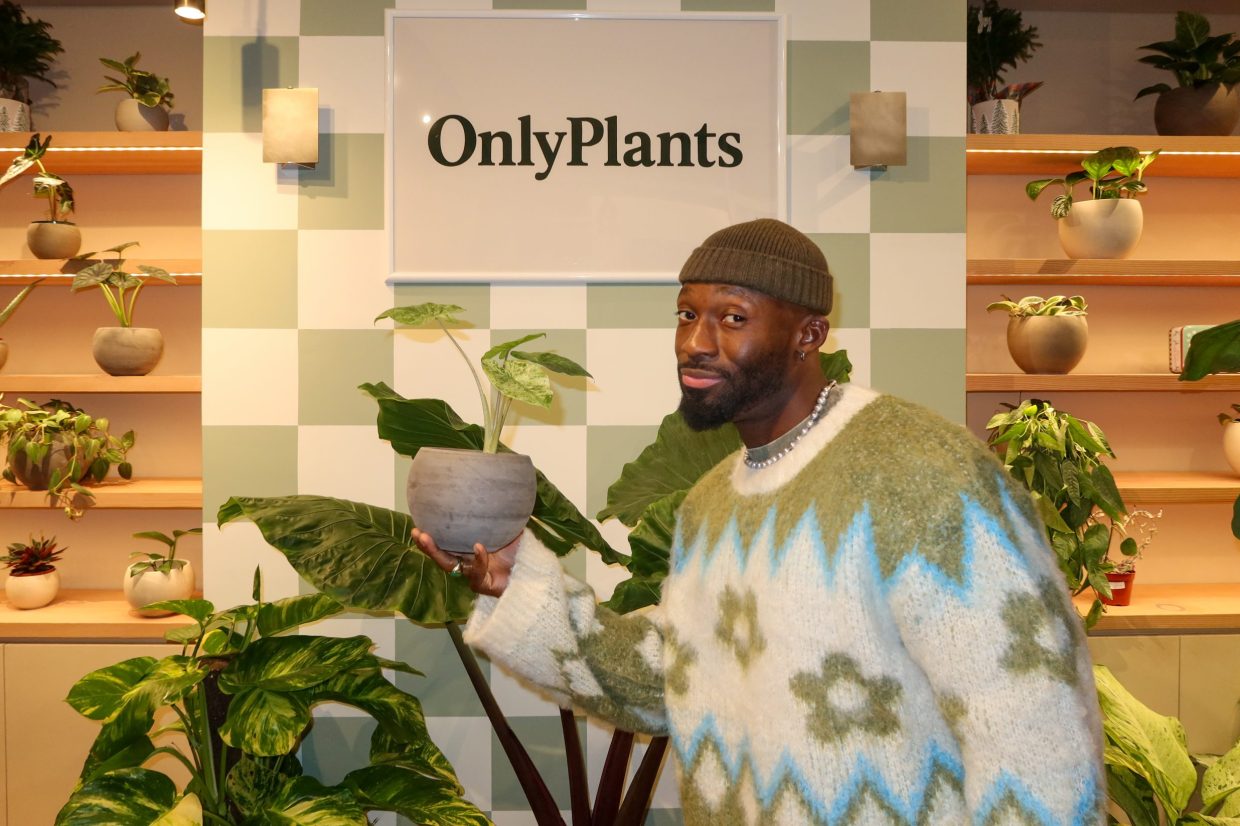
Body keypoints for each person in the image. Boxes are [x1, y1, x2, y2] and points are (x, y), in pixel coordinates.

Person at [414, 218, 1105, 824]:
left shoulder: (920, 469)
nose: (696, 342)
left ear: (809, 335)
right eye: (687, 315)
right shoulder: (711, 502)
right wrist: (515, 585)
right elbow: (671, 679)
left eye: (733, 318)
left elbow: (1032, 720)